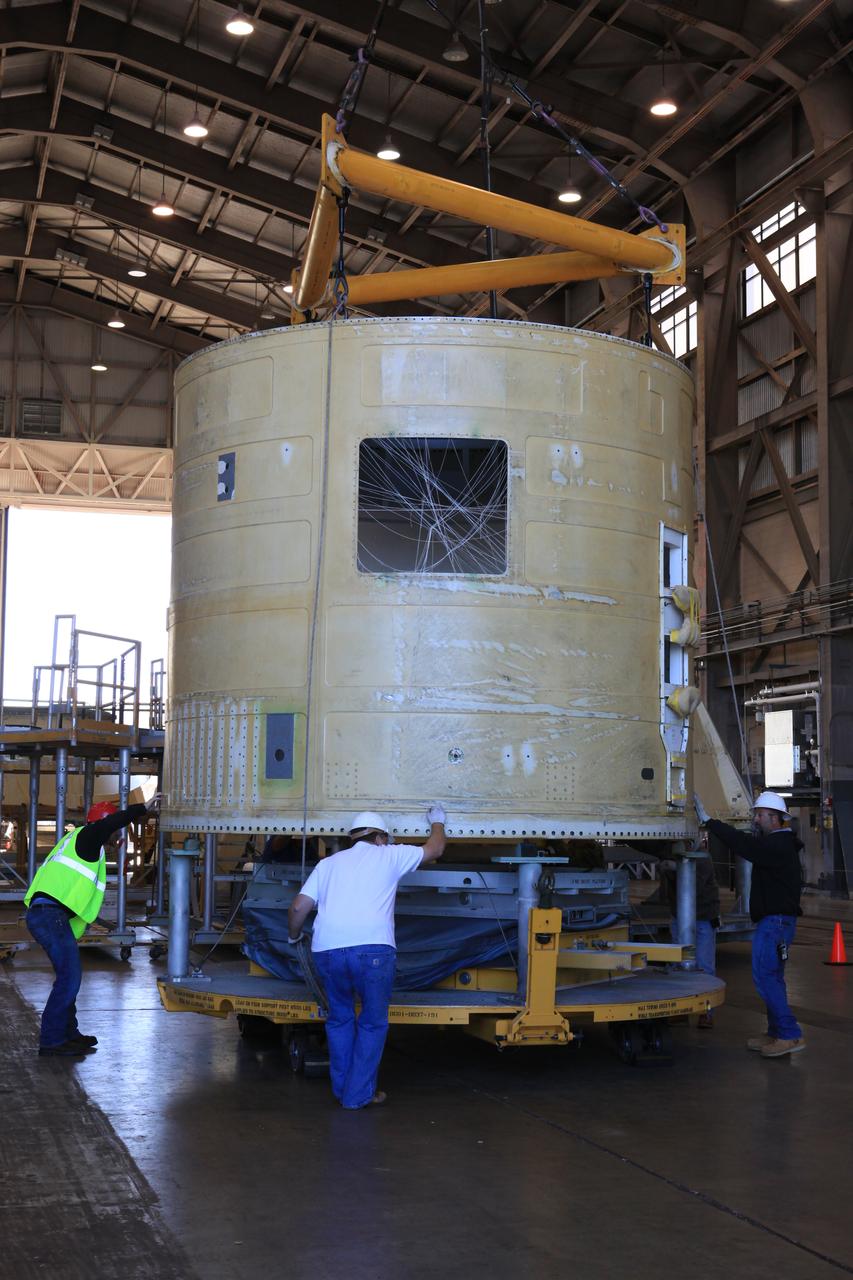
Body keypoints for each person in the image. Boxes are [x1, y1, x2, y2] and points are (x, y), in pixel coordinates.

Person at [287, 805, 447, 1110]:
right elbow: (435, 848)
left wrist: (294, 936)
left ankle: (343, 1089)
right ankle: (358, 1095)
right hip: (374, 951)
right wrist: (437, 820)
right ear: (381, 838)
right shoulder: (389, 854)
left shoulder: (328, 865)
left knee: (340, 1018)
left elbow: (298, 908)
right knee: (372, 1023)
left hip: (328, 952)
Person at [24, 795, 159, 1056]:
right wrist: (143, 808)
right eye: (113, 831)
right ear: (103, 826)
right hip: (49, 915)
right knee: (69, 978)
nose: (114, 838)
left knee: (68, 977)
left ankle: (69, 1034)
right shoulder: (88, 837)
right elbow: (108, 825)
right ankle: (52, 1041)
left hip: (49, 916)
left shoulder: (79, 843)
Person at [694, 789, 804, 1058]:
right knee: (773, 977)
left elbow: (743, 844)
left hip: (775, 923)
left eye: (759, 815)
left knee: (765, 977)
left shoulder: (776, 845)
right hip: (776, 922)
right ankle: (776, 1032)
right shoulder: (780, 844)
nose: (756, 820)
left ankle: (789, 1035)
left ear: (775, 818)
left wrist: (711, 822)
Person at [659, 853, 721, 1028]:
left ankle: (706, 1012)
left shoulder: (702, 858)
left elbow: (695, 886)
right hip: (680, 916)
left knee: (704, 965)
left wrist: (673, 868)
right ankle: (680, 1010)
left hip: (704, 917)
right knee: (677, 963)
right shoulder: (678, 855)